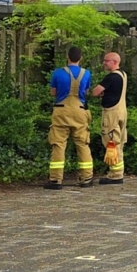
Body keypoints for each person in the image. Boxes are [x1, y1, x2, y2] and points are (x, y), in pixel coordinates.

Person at [45, 46, 93, 190]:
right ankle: (87, 178)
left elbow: (53, 92)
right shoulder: (86, 73)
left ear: (67, 57)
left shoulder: (57, 73)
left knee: (58, 144)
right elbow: (86, 92)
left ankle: (55, 180)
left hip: (61, 111)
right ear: (81, 58)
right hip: (80, 111)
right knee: (82, 144)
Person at [91, 52, 128, 185]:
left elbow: (95, 92)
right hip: (122, 111)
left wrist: (98, 92)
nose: (104, 63)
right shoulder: (123, 75)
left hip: (111, 113)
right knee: (119, 143)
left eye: (106, 61)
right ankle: (119, 171)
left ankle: (115, 175)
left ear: (114, 62)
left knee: (111, 142)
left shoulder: (111, 77)